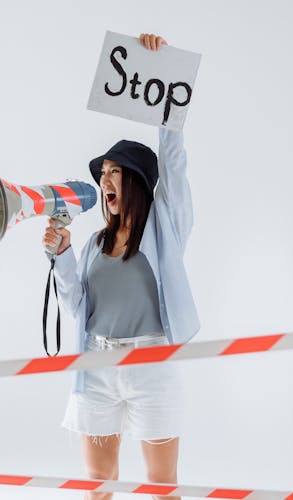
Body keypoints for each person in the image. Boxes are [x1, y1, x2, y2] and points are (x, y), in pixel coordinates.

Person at [42, 33, 200, 500]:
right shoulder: (93, 243)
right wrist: (61, 255)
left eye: (114, 172)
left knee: (161, 487)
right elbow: (76, 305)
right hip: (98, 363)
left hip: (153, 365)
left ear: (136, 182)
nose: (104, 180)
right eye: (102, 173)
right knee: (98, 487)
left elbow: (173, 162)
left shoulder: (166, 228)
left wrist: (162, 72)